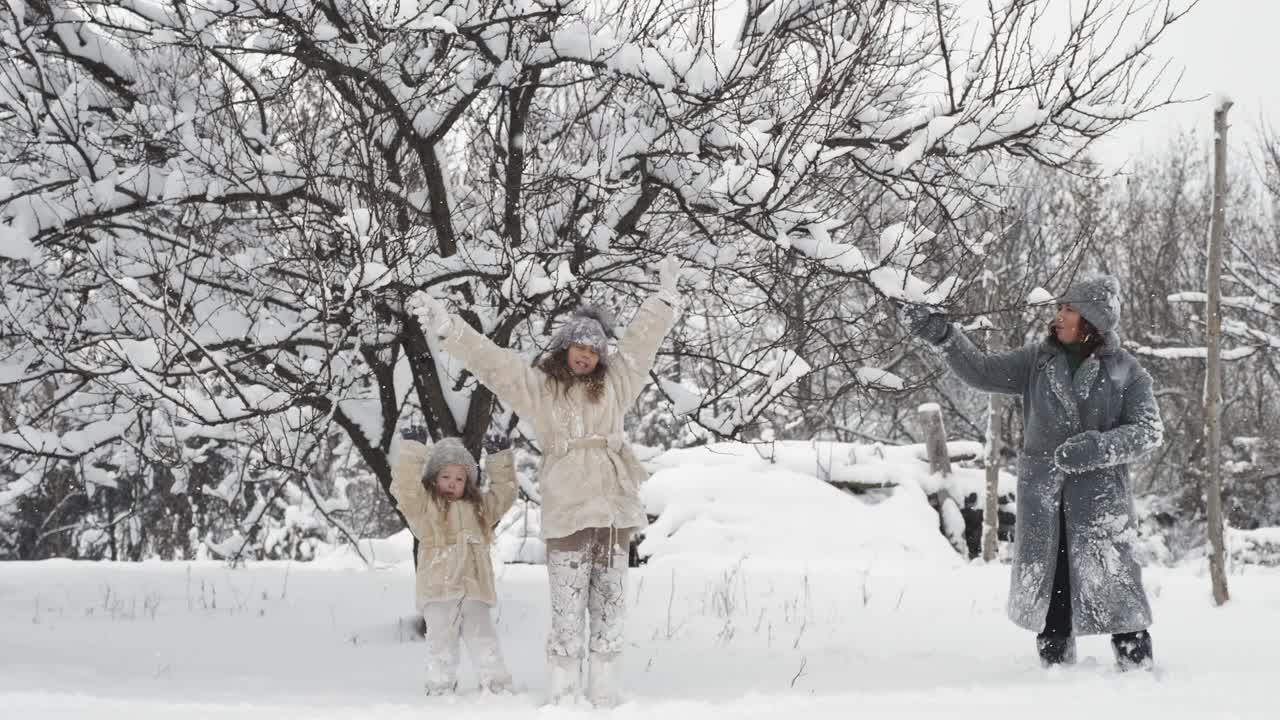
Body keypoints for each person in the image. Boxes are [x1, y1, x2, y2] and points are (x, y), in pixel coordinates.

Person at [409, 256, 680, 706]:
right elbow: (492, 363)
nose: (586, 354)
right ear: (564, 348)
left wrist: (663, 298)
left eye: (594, 350)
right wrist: (449, 328)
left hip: (613, 510)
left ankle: (606, 697)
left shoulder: (618, 384)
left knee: (610, 607)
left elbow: (642, 342)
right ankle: (564, 696)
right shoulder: (539, 388)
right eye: (579, 346)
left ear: (600, 356)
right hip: (568, 510)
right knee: (568, 611)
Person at [904, 275, 1163, 670]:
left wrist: (1098, 447)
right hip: (1044, 496)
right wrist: (945, 336)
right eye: (1059, 307)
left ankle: (1137, 671)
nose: (1058, 315)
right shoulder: (1036, 361)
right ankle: (1053, 675)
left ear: (1092, 321)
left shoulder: (1126, 371)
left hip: (1098, 502)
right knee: (1051, 591)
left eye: (1069, 309)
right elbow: (982, 371)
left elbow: (1149, 430)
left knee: (1115, 587)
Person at [390, 428, 518, 695]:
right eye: (445, 476)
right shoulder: (423, 508)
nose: (452, 482)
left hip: (475, 588)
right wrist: (413, 450)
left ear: (467, 483)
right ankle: (440, 686)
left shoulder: (479, 508)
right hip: (439, 589)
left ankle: (497, 686)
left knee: (483, 638)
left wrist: (499, 459)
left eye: (459, 478)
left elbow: (503, 495)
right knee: (440, 642)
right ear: (433, 479)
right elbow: (404, 489)